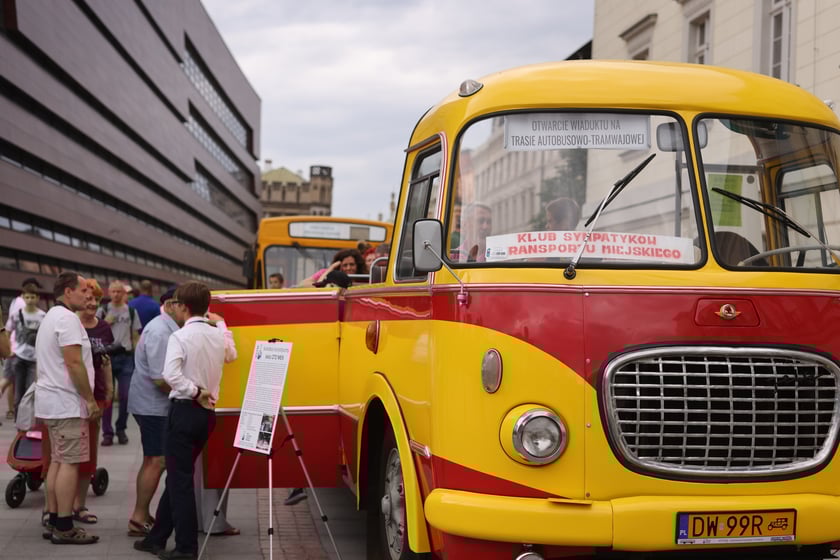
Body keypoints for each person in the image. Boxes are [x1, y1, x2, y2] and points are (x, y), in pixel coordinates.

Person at [135, 281, 236, 559]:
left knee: (180, 483)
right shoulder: (216, 334)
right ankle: (156, 538)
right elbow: (232, 354)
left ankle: (186, 548)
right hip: (207, 416)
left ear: (184, 307)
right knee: (179, 476)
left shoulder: (179, 337)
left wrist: (195, 391)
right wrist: (223, 325)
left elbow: (171, 375)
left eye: (177, 303)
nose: (174, 308)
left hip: (185, 410)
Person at [35, 271, 101, 545]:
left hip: (52, 402)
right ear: (67, 292)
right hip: (67, 403)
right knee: (70, 463)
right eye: (83, 289)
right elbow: (74, 363)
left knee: (59, 462)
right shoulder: (67, 319)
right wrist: (89, 399)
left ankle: (54, 518)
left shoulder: (51, 316)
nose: (88, 294)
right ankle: (64, 525)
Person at [128, 286, 181, 537]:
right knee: (156, 460)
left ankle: (141, 513)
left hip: (152, 405)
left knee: (153, 459)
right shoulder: (161, 332)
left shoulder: (167, 328)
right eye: (183, 304)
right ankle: (138, 517)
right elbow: (161, 380)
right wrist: (191, 392)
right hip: (152, 406)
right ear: (170, 305)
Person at [97, 280, 142, 445]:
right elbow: (95, 332)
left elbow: (136, 336)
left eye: (119, 292)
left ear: (124, 293)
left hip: (126, 357)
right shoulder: (102, 310)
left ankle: (121, 428)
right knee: (107, 397)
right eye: (113, 291)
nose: (116, 294)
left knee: (126, 396)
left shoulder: (131, 311)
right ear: (109, 293)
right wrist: (105, 323)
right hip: (107, 357)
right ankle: (107, 433)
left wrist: (138, 356)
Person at [1, 282, 45, 417]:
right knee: (18, 391)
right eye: (27, 297)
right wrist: (9, 349)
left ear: (37, 298)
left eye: (32, 297)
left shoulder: (42, 316)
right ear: (23, 297)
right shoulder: (16, 314)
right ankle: (18, 419)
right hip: (18, 356)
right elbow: (7, 331)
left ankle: (28, 419)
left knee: (30, 390)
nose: (30, 300)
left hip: (34, 359)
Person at [299, 249, 365, 286]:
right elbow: (303, 284)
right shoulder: (325, 272)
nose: (348, 268)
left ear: (358, 265)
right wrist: (331, 268)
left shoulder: (365, 277)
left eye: (352, 264)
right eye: (345, 265)